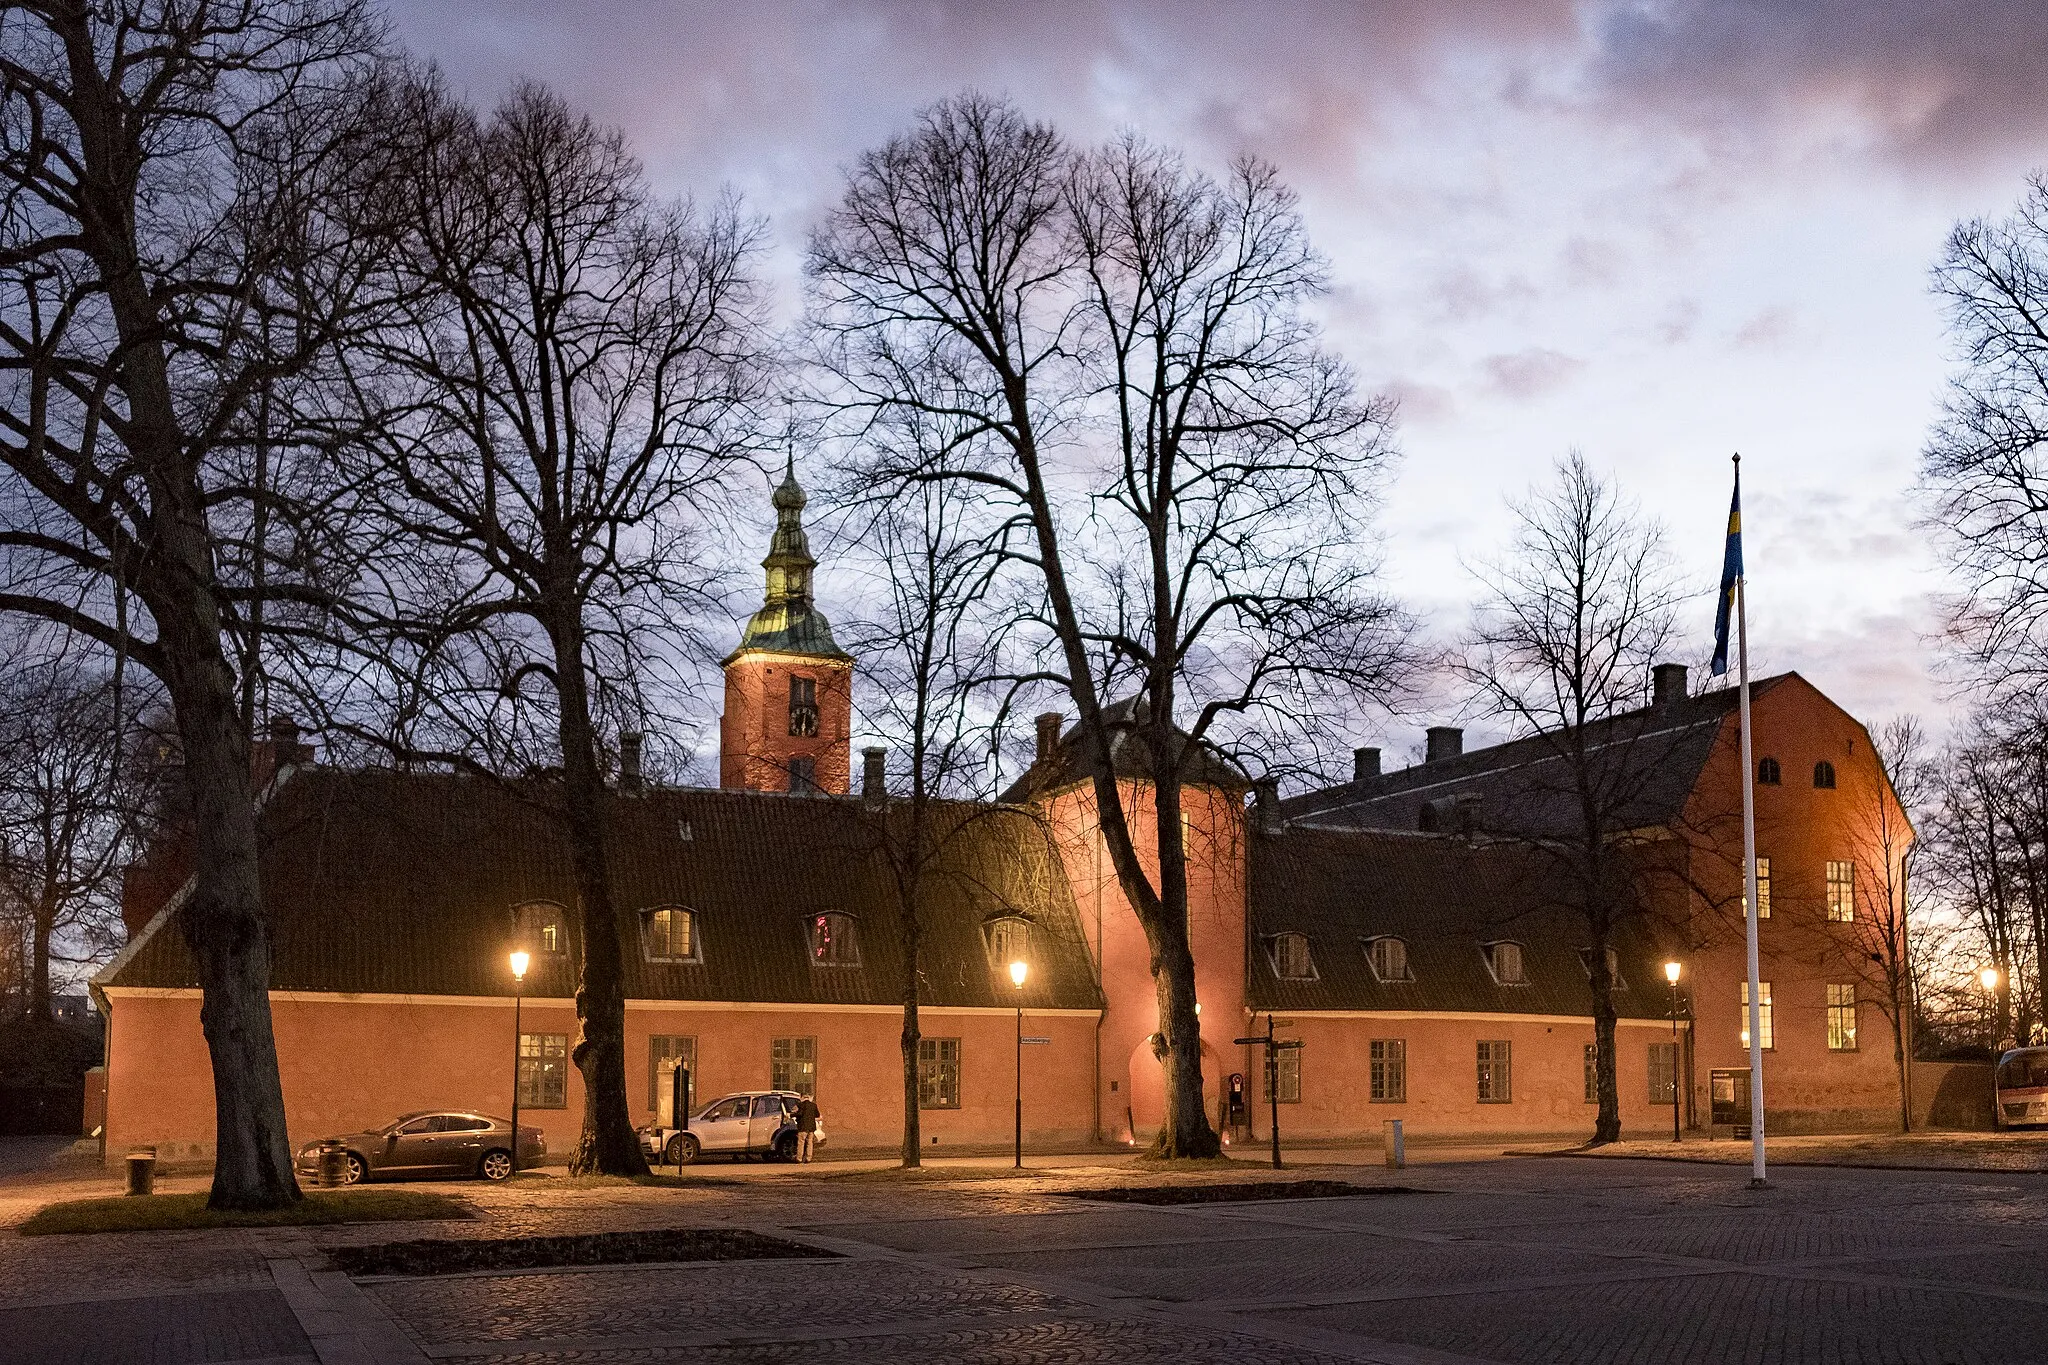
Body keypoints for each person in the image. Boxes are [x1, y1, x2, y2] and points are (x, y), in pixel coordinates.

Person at [794, 1091, 821, 1163]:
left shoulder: (800, 1105)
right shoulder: (813, 1105)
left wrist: (791, 1115)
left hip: (802, 1127)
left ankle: (799, 1158)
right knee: (810, 1142)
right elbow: (817, 1115)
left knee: (801, 1142)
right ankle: (809, 1158)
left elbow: (799, 1114)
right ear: (808, 1097)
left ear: (802, 1097)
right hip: (811, 1127)